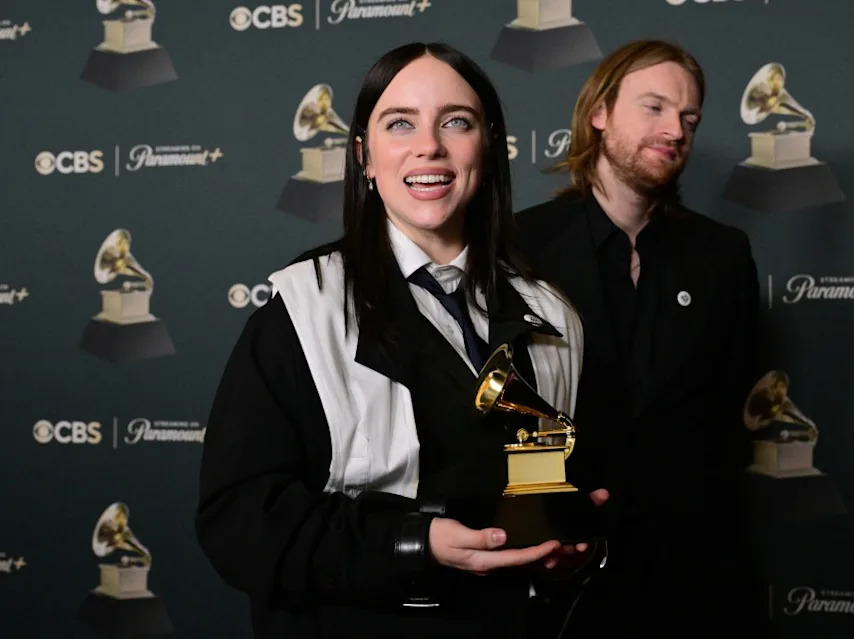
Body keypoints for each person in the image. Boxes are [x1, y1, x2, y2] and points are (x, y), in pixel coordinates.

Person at [196, 42, 604, 639]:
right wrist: (414, 543)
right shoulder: (304, 307)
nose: (429, 146)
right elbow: (238, 525)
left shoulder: (555, 316)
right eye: (400, 123)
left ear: (487, 150)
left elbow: (557, 486)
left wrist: (566, 549)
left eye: (456, 122)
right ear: (364, 155)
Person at [516, 40, 767, 636]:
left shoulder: (723, 254)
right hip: (562, 569)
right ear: (599, 112)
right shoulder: (520, 247)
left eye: (688, 118)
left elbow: (730, 411)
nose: (674, 130)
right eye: (654, 107)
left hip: (696, 573)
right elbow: (506, 410)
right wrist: (541, 527)